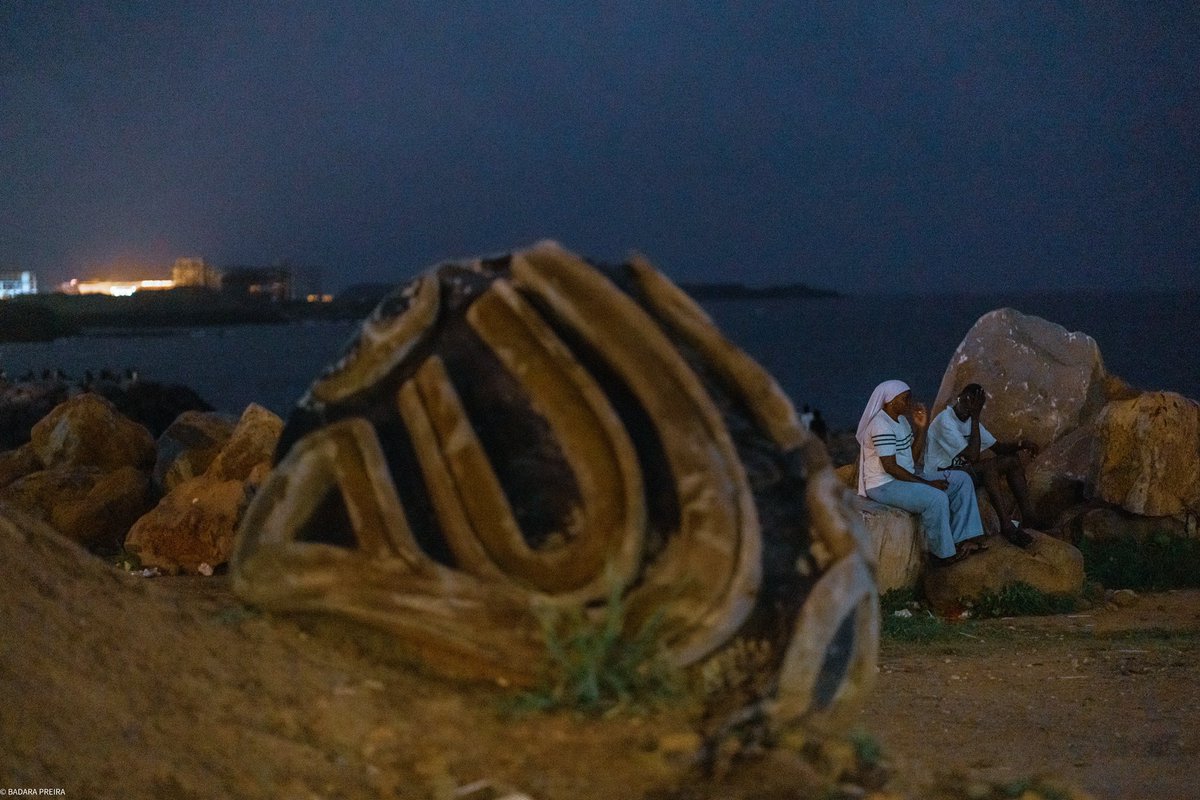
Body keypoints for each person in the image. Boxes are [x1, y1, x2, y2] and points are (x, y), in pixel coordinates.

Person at [857, 380, 986, 565]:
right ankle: (942, 555)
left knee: (962, 480)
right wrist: (927, 484)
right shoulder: (880, 425)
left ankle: (962, 540)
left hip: (903, 477)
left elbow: (912, 458)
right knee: (936, 498)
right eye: (905, 398)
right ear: (890, 401)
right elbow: (890, 467)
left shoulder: (901, 421)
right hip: (883, 484)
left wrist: (921, 428)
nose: (909, 402)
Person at [924, 383, 1040, 547]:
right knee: (988, 467)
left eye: (975, 403)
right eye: (967, 401)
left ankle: (1029, 517)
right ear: (959, 398)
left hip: (962, 473)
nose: (969, 406)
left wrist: (1022, 444)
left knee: (1011, 460)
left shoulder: (971, 421)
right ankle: (1006, 524)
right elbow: (972, 456)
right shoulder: (945, 421)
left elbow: (998, 448)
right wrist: (976, 417)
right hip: (941, 474)